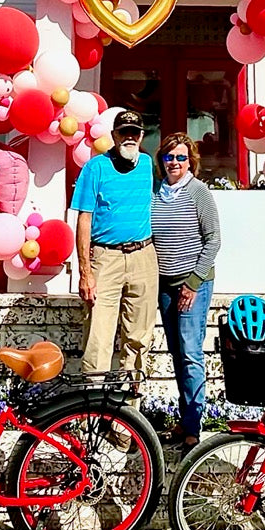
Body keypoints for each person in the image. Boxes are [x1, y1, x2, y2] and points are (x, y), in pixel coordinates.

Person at [72, 110, 158, 393]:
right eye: (124, 132)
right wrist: (85, 272)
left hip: (144, 256)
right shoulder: (95, 168)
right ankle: (92, 409)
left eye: (135, 132)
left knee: (139, 338)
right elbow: (84, 219)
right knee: (98, 338)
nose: (129, 137)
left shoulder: (148, 164)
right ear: (114, 135)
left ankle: (128, 413)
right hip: (105, 257)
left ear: (142, 136)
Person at [152, 132, 221, 451]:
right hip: (165, 286)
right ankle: (184, 419)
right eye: (169, 157)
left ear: (190, 160)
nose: (175, 162)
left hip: (193, 283)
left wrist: (193, 284)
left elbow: (213, 240)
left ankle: (193, 427)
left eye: (181, 157)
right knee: (177, 353)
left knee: (191, 353)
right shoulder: (156, 192)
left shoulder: (198, 192)